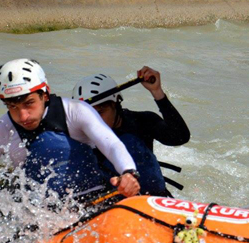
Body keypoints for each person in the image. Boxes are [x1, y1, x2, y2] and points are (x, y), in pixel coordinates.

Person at [0, 58, 140, 202]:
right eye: (12, 106)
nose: (23, 116)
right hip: (43, 214)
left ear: (45, 94)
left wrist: (128, 172)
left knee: (51, 142)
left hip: (94, 199)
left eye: (29, 103)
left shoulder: (76, 111)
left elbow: (111, 144)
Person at [72, 66, 190, 196]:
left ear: (116, 103)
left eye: (100, 112)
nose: (94, 120)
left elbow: (180, 137)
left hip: (154, 199)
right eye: (88, 114)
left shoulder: (142, 121)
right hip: (112, 205)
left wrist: (157, 92)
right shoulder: (79, 138)